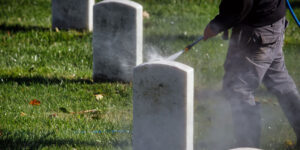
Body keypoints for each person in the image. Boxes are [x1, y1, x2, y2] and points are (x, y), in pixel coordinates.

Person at [203, 0, 300, 148]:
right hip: (274, 21)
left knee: (238, 88)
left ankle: (247, 145)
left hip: (256, 32)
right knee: (279, 80)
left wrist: (218, 24)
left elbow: (242, 3)